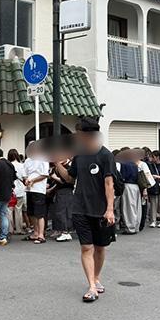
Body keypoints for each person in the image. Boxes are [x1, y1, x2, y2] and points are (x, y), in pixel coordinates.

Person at [54, 117, 116, 303]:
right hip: (80, 208)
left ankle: (96, 278)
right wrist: (57, 163)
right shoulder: (79, 155)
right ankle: (91, 286)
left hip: (101, 210)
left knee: (100, 247)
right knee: (86, 247)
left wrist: (110, 209)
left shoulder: (106, 155)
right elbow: (70, 179)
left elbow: (109, 183)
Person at [23, 149, 50, 243]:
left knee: (39, 213)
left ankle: (41, 235)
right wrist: (26, 180)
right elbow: (25, 174)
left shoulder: (43, 158)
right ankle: (35, 232)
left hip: (38, 189)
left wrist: (33, 180)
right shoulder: (27, 160)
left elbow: (45, 174)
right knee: (31, 212)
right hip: (29, 189)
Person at [50, 157, 75, 242]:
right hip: (60, 191)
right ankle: (62, 231)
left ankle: (65, 232)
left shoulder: (68, 167)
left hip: (66, 191)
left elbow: (68, 181)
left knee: (63, 212)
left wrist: (55, 177)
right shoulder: (59, 167)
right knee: (60, 211)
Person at [118, 150, 141, 234]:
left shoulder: (124, 164)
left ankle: (130, 228)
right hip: (136, 186)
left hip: (128, 185)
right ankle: (136, 226)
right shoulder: (135, 164)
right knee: (136, 207)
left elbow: (122, 177)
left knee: (128, 208)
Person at [7, 149, 27, 234]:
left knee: (9, 210)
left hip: (10, 189)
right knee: (18, 210)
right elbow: (24, 177)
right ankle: (19, 229)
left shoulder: (7, 165)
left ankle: (10, 229)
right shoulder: (21, 165)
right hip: (20, 189)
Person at [147, 151, 160, 228]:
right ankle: (153, 220)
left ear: (157, 157)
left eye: (152, 157)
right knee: (153, 204)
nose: (151, 158)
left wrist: (157, 177)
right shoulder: (150, 165)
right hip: (153, 186)